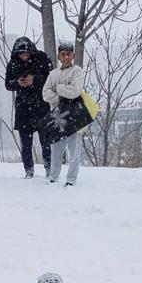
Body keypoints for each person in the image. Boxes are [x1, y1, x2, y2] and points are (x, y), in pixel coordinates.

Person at [4, 37, 53, 178]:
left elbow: (52, 79)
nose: (24, 56)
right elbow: (7, 84)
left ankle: (49, 169)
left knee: (46, 142)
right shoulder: (13, 64)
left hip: (42, 106)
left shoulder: (42, 58)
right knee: (26, 144)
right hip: (23, 109)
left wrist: (34, 80)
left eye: (26, 52)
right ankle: (28, 171)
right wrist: (18, 83)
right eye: (21, 53)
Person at [43, 41, 86, 187]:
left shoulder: (77, 71)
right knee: (56, 148)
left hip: (74, 114)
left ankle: (71, 180)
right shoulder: (53, 74)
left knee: (74, 150)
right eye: (63, 54)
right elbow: (45, 93)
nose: (66, 57)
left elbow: (75, 91)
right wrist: (60, 98)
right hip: (57, 115)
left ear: (73, 55)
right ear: (58, 56)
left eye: (69, 54)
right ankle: (54, 178)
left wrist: (59, 89)